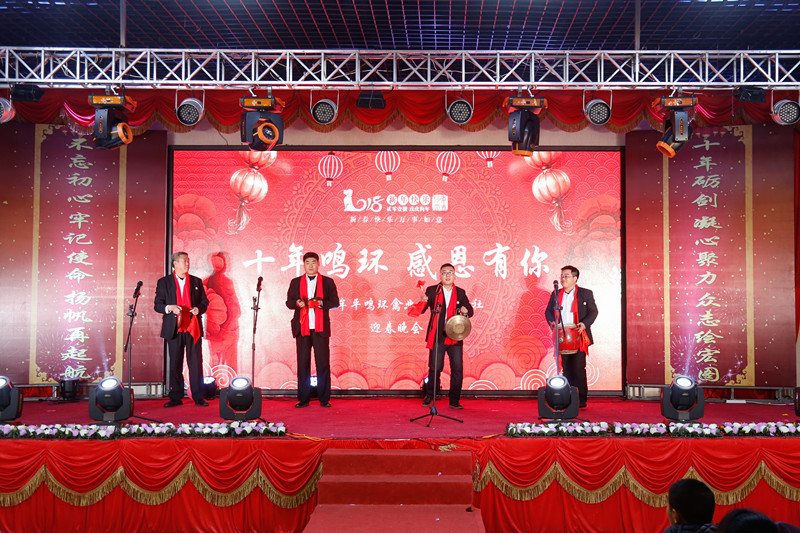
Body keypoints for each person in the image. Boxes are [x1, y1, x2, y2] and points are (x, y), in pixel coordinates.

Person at [155, 251, 210, 407]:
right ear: (175, 263)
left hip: (193, 327)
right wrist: (170, 308)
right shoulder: (164, 282)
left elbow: (205, 302)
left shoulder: (196, 281)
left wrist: (199, 309)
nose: (187, 264)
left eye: (188, 261)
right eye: (184, 261)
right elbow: (158, 305)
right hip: (174, 328)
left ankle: (198, 396)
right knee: (175, 363)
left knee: (196, 363)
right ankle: (176, 396)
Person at [286, 252, 340, 408]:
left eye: (313, 262)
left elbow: (335, 302)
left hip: (320, 328)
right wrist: (297, 303)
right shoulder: (295, 282)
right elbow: (289, 302)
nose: (310, 265)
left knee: (322, 363)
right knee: (303, 364)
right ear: (304, 264)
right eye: (307, 262)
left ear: (318, 264)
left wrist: (320, 302)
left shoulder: (328, 282)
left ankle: (324, 399)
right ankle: (303, 399)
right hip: (302, 328)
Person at [418, 263, 474, 409]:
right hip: (437, 335)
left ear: (454, 276)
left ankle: (454, 400)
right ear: (440, 275)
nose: (447, 275)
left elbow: (470, 311)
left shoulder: (460, 292)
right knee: (435, 368)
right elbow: (422, 310)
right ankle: (430, 395)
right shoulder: (432, 291)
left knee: (457, 369)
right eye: (444, 273)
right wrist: (423, 301)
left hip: (455, 336)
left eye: (450, 272)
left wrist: (465, 310)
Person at [545, 265, 598, 408]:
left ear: (575, 278)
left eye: (566, 276)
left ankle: (581, 399)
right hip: (562, 336)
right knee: (566, 368)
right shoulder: (556, 294)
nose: (563, 279)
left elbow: (593, 312)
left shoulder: (585, 293)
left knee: (578, 367)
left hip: (578, 334)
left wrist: (584, 324)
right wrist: (552, 322)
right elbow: (548, 311)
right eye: (562, 276)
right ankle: (567, 397)